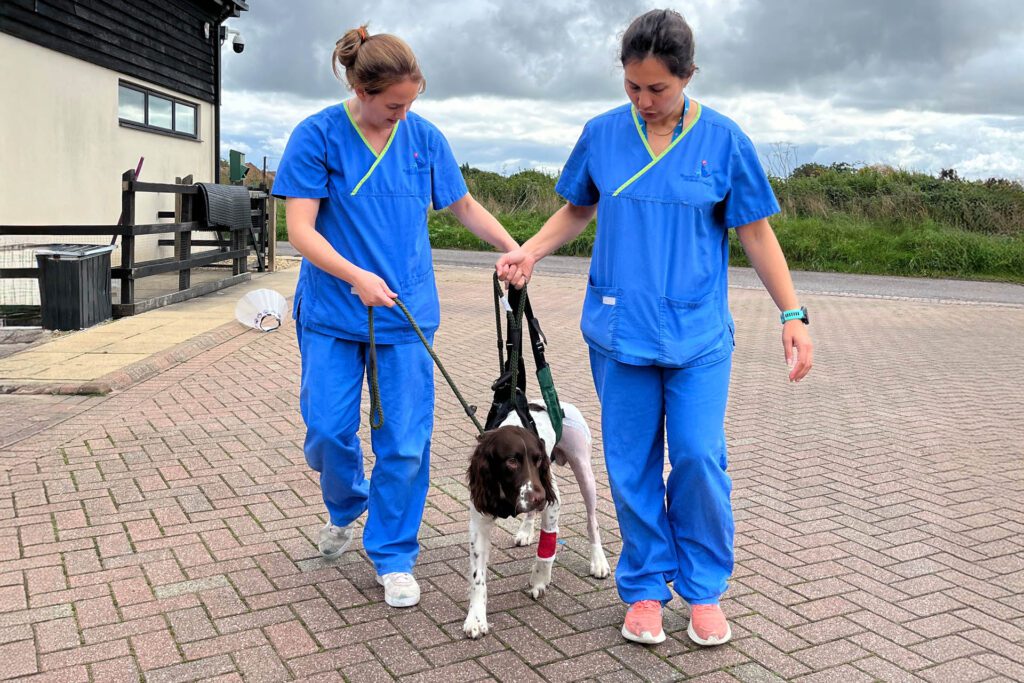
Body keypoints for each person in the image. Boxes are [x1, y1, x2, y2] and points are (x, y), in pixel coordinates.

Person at [497, 9, 814, 645]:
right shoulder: (603, 134)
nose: (645, 101)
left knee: (698, 456)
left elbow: (754, 230)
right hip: (620, 333)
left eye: (658, 89)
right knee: (631, 464)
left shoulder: (724, 140)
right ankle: (643, 586)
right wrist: (529, 250)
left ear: (688, 77)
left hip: (698, 334)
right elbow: (578, 206)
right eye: (633, 87)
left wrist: (792, 313)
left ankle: (702, 589)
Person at [272, 25, 519, 609]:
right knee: (329, 430)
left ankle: (393, 553)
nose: (402, 115)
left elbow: (462, 204)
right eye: (392, 105)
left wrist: (513, 250)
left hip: (405, 313)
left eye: (410, 104)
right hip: (335, 308)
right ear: (359, 88)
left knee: (406, 443)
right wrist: (354, 275)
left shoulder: (422, 138)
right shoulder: (317, 137)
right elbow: (300, 230)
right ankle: (348, 502)